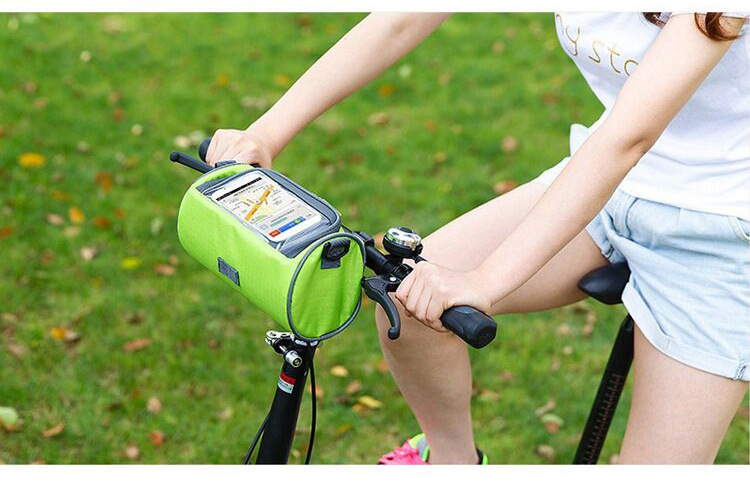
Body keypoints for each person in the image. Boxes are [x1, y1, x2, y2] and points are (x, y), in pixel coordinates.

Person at [205, 12, 750, 464]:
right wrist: (267, 131)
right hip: (606, 188)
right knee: (408, 302)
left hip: (722, 229)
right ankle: (453, 463)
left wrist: (485, 281)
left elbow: (629, 136)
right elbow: (402, 19)